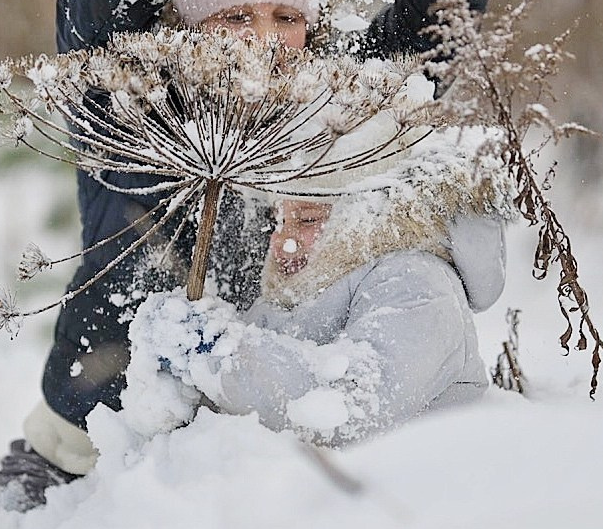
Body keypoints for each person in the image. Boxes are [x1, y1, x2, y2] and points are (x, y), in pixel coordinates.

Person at [0, 0, 490, 515]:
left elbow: (436, 37)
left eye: (286, 17)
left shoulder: (331, 114)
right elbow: (94, 2)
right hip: (75, 458)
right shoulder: (142, 106)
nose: (263, 37)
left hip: (226, 470)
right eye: (234, 15)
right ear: (185, 22)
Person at [124, 134, 512, 445]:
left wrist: (218, 353)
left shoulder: (417, 284)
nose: (283, 243)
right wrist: (172, 382)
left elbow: (349, 407)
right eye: (279, 221)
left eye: (307, 219)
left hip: (412, 517)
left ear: (369, 211)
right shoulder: (301, 293)